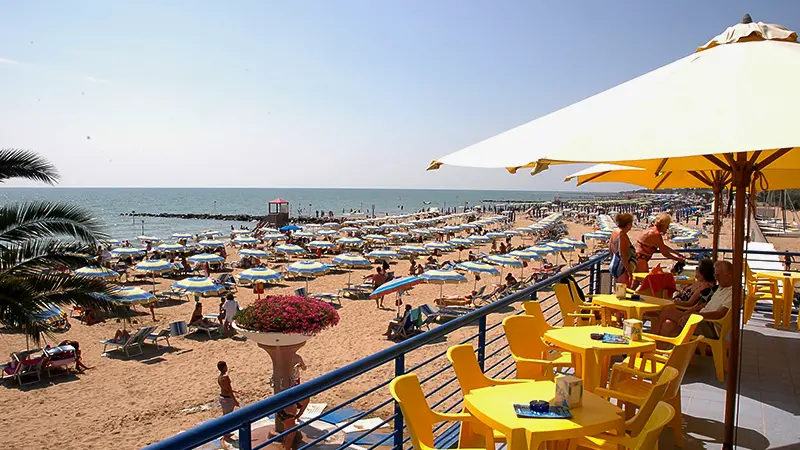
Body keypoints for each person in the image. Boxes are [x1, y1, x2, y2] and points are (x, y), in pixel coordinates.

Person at [651, 260, 733, 338]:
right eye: (715, 275)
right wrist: (692, 311)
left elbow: (720, 314)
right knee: (668, 324)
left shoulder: (733, 292)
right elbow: (706, 305)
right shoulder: (722, 287)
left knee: (667, 311)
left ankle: (652, 339)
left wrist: (696, 315)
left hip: (710, 325)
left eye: (718, 275)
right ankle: (657, 349)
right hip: (702, 320)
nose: (716, 278)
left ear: (729, 275)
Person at [609, 213, 637, 288]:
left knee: (617, 291)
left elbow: (610, 248)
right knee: (623, 292)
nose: (631, 227)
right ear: (628, 224)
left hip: (615, 263)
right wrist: (629, 271)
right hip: (622, 268)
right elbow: (623, 254)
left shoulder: (615, 231)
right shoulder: (622, 235)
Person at [217, 361, 240, 442]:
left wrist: (234, 391)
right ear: (224, 367)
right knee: (228, 417)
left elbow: (225, 388)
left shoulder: (219, 377)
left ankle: (226, 432)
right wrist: (235, 401)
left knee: (225, 416)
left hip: (222, 398)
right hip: (227, 399)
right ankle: (226, 434)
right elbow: (229, 390)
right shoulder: (225, 377)